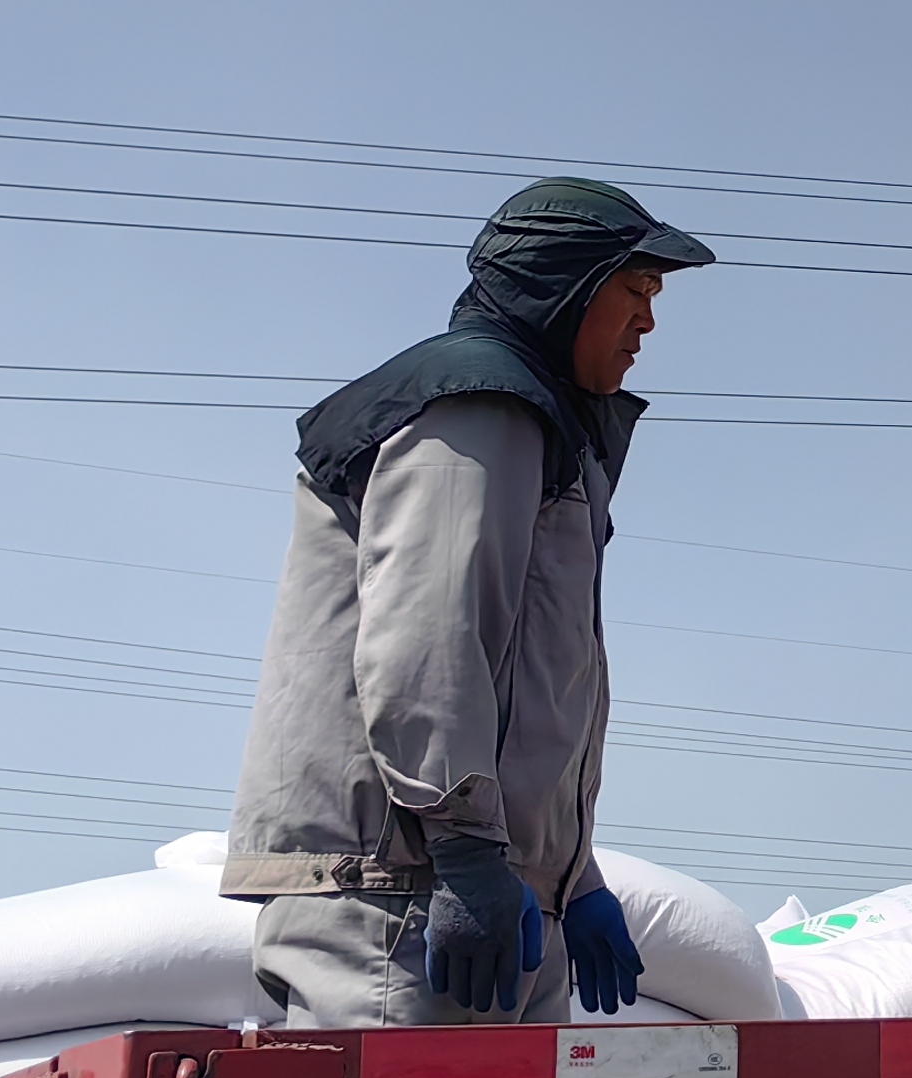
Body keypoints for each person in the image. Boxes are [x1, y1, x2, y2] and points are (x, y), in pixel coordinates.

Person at [224, 177, 715, 1025]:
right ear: (562, 287)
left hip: (492, 890)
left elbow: (524, 686)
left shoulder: (541, 424)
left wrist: (574, 877)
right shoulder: (479, 406)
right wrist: (464, 850)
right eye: (635, 289)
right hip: (404, 894)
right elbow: (429, 638)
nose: (648, 321)